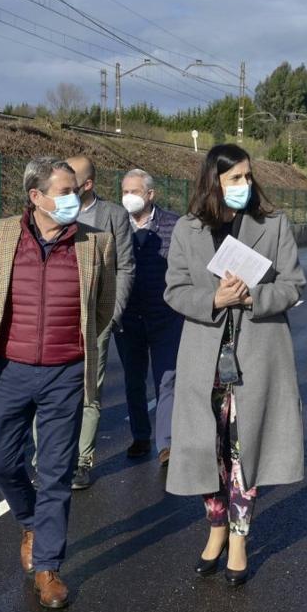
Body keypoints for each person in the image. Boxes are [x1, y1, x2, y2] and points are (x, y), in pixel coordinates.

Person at [0, 157, 115, 610]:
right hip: (10, 368)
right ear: (36, 197)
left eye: (76, 190)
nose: (74, 199)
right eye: (64, 191)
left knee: (56, 470)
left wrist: (73, 351)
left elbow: (103, 306)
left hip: (65, 372)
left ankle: (48, 567)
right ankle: (30, 521)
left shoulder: (96, 243)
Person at [164, 144, 305, 587]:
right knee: (209, 453)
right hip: (203, 359)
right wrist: (213, 299)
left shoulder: (274, 224)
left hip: (258, 357)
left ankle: (240, 539)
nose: (244, 185)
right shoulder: (187, 230)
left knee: (244, 455)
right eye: (234, 178)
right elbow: (174, 289)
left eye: (247, 176)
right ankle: (216, 527)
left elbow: (293, 286)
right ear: (214, 183)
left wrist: (251, 297)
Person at [65, 155, 134, 490]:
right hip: (59, 317)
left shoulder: (113, 216)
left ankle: (81, 462)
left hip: (98, 317)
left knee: (89, 391)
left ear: (87, 184)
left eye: (71, 180)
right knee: (49, 390)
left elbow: (125, 267)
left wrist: (114, 311)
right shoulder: (53, 212)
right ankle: (47, 458)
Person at [114, 168, 182, 465]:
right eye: (124, 192)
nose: (129, 197)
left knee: (167, 378)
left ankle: (165, 444)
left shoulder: (174, 225)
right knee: (133, 379)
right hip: (128, 316)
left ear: (151, 194)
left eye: (135, 191)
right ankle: (140, 436)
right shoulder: (117, 225)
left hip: (166, 314)